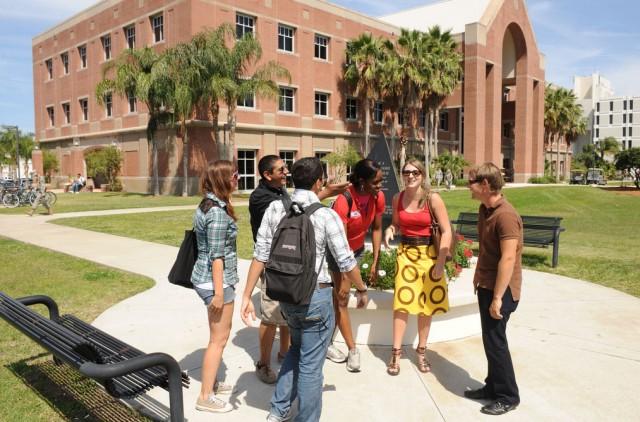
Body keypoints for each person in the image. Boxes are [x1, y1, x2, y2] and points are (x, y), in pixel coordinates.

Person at [241, 157, 368, 422]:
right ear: (319, 181)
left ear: (292, 178)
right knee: (311, 367)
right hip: (315, 298)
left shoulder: (276, 208)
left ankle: (277, 411)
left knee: (297, 350)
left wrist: (246, 295)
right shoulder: (326, 215)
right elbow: (346, 261)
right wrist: (362, 288)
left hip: (286, 296)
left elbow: (260, 253)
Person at [249, 155, 350, 384]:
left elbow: (300, 206)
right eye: (280, 170)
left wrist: (319, 192)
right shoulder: (262, 198)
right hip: (277, 267)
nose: (285, 173)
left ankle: (285, 353)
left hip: (295, 268)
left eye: (287, 169)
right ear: (267, 175)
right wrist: (323, 193)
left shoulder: (281, 193)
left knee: (286, 316)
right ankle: (263, 364)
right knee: (271, 316)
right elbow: (293, 213)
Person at [463, 162, 523, 416]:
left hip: (502, 289)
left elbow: (508, 259)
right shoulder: (485, 209)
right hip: (487, 284)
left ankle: (508, 396)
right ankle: (492, 387)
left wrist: (498, 297)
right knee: (490, 341)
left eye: (471, 183)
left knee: (496, 342)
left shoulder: (506, 216)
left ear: (485, 185)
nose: (469, 188)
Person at [383, 158, 452, 376]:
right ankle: (396, 352)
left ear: (422, 175)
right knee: (401, 303)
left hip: (430, 256)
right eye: (406, 172)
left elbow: (447, 231)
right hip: (406, 254)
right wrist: (390, 229)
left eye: (415, 172)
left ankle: (421, 351)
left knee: (426, 306)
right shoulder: (397, 198)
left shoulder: (433, 199)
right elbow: (396, 222)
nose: (410, 176)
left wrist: (441, 261)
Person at [325, 159, 385, 372]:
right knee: (341, 297)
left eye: (381, 181)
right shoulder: (345, 200)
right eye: (375, 182)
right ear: (361, 180)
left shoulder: (377, 196)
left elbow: (377, 229)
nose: (379, 185)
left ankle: (327, 339)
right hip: (337, 253)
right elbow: (339, 246)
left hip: (357, 251)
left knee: (338, 297)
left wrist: (376, 260)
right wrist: (359, 285)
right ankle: (352, 350)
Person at [191, 160, 239, 414]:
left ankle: (211, 383)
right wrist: (219, 294)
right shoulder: (218, 213)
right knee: (218, 340)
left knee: (217, 338)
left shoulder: (208, 204)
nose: (238, 178)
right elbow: (216, 257)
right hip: (215, 281)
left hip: (208, 278)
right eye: (234, 175)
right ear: (223, 180)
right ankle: (205, 396)